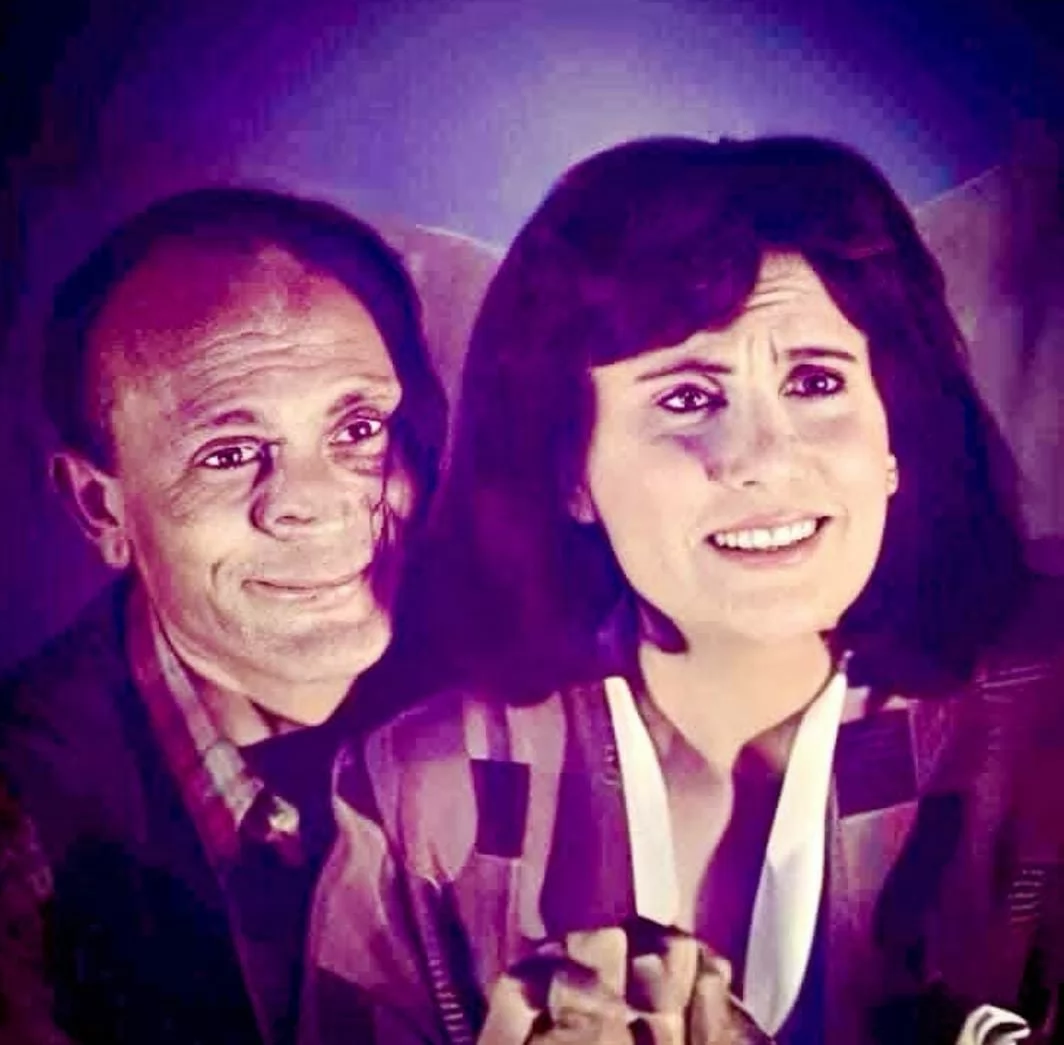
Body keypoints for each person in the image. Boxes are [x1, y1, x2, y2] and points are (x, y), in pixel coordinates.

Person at [301, 136, 1064, 1045]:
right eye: (688, 399)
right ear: (570, 472)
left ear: (893, 440)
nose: (765, 458)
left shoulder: (1042, 743)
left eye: (815, 381)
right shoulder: (424, 790)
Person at [0, 186, 447, 1045]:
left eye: (357, 428)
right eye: (229, 453)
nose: (315, 503)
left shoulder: (504, 698)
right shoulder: (16, 831)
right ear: (101, 507)